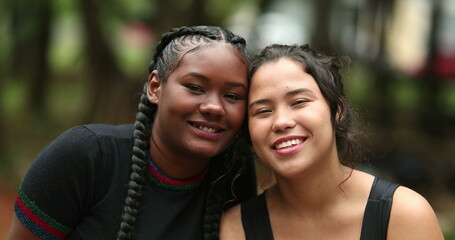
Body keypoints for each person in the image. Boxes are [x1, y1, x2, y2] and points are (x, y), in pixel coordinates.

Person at [8, 25, 257, 240]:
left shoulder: (234, 175)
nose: (214, 107)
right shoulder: (85, 157)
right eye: (194, 87)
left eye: (232, 96)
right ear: (155, 88)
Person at [220, 44, 444, 240]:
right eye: (263, 111)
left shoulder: (404, 215)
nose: (281, 122)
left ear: (337, 110)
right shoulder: (236, 228)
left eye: (298, 102)